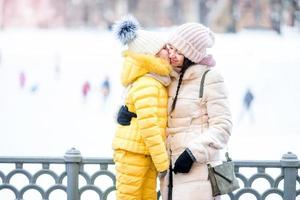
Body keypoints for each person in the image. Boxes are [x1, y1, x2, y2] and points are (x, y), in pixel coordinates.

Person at [159, 23, 232, 200]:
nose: (172, 55)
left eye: (179, 51)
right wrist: (126, 111)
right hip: (170, 174)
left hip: (198, 173)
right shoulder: (169, 78)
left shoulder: (210, 78)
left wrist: (193, 153)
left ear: (192, 53)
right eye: (170, 48)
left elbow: (223, 126)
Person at [112, 16, 171, 200]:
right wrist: (163, 163)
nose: (168, 51)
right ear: (151, 54)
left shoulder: (155, 80)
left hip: (142, 152)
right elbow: (149, 125)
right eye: (163, 48)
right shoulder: (148, 83)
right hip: (133, 153)